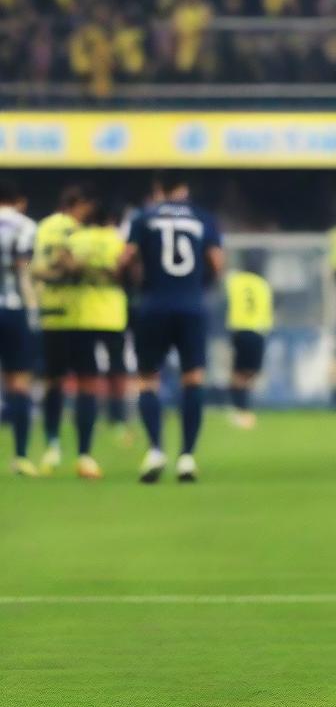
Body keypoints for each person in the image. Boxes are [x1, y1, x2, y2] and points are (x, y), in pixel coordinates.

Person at [119, 175, 224, 482]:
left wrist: (131, 282)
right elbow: (216, 262)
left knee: (148, 379)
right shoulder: (204, 218)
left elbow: (125, 258)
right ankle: (187, 457)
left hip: (153, 306)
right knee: (193, 378)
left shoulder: (144, 217)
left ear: (157, 190)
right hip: (191, 306)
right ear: (185, 190)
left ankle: (155, 450)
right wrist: (199, 286)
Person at [31, 184, 101, 478]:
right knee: (86, 383)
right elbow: (66, 261)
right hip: (78, 315)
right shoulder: (73, 230)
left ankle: (52, 448)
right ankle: (84, 454)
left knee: (53, 381)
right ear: (78, 204)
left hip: (51, 314)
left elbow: (36, 269)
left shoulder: (43, 226)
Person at [68, 204, 131, 446]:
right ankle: (118, 419)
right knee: (117, 370)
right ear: (112, 218)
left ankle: (87, 417)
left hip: (83, 314)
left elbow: (69, 268)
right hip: (112, 314)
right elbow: (125, 270)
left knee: (86, 374)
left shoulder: (78, 239)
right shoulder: (117, 240)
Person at [0, 179, 38, 476]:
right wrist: (34, 311)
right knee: (19, 383)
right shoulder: (25, 226)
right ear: (20, 200)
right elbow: (23, 271)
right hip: (13, 310)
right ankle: (22, 456)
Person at [225, 261, 274, 429]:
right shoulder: (263, 284)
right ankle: (243, 410)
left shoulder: (235, 280)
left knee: (238, 374)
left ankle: (241, 409)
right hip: (258, 330)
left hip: (239, 329)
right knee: (249, 373)